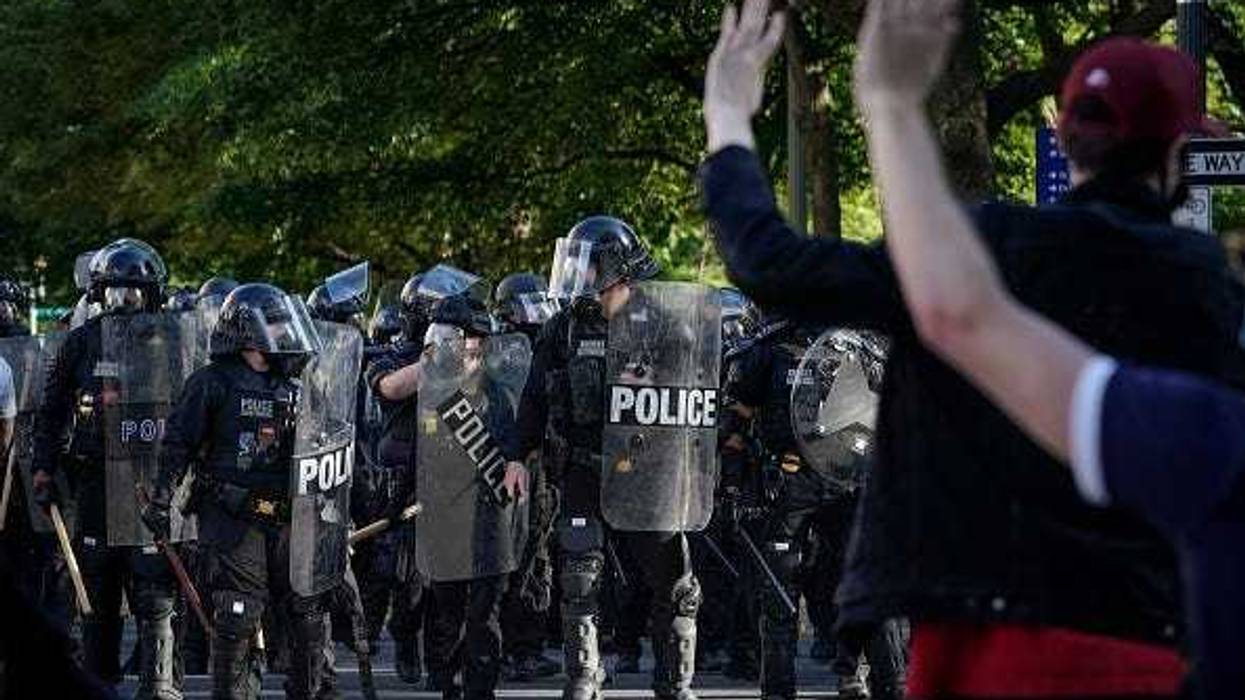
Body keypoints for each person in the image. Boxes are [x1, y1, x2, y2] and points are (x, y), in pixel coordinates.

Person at [700, 1, 1245, 698]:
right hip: (1134, 636)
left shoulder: (974, 257)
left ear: (1062, 134)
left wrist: (727, 120)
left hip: (967, 641)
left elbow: (771, 262)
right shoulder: (1200, 282)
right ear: (1176, 156)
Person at [506, 216, 704, 700]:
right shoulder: (564, 327)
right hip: (583, 467)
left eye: (589, 267)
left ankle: (674, 685)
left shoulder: (665, 326)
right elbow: (533, 396)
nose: (580, 277)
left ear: (616, 268)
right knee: (579, 578)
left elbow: (697, 399)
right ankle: (582, 680)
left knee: (677, 586)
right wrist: (518, 455)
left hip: (647, 472)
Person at [141, 283, 330, 700]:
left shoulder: (297, 385)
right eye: (275, 325)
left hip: (288, 516)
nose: (285, 333)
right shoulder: (211, 382)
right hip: (231, 516)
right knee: (236, 614)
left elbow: (327, 445)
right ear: (249, 331)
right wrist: (161, 497)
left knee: (307, 611)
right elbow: (178, 444)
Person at [31, 238, 183, 698]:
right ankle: (100, 681)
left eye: (135, 292)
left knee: (154, 581)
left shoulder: (172, 341)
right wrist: (42, 469)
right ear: (99, 293)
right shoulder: (80, 343)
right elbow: (51, 409)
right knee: (96, 581)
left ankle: (158, 683)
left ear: (153, 293)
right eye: (116, 291)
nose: (126, 301)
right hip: (94, 476)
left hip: (152, 477)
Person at [491, 273, 562, 682]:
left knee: (537, 557)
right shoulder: (496, 352)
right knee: (511, 559)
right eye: (528, 305)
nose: (536, 313)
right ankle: (510, 648)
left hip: (542, 467)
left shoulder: (549, 347)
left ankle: (526, 647)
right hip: (506, 464)